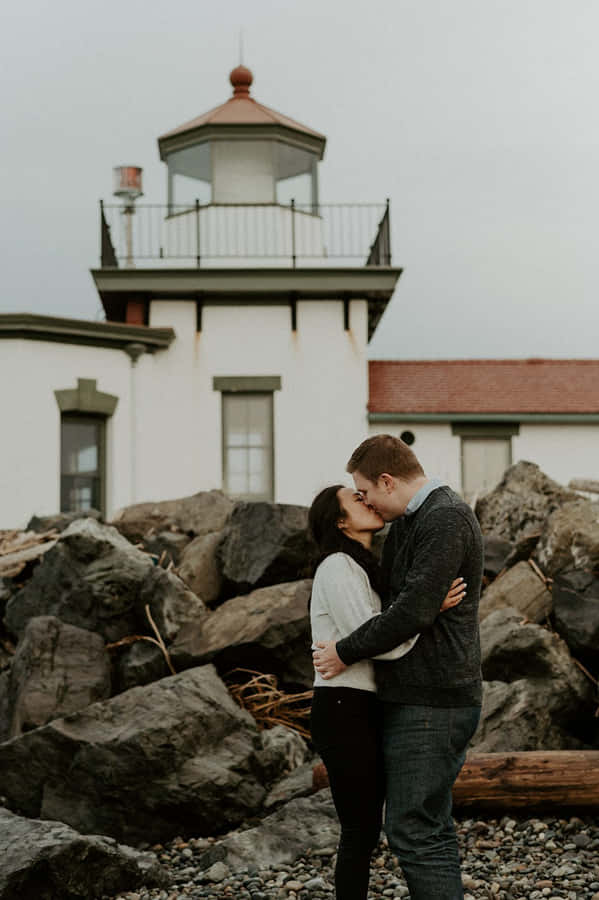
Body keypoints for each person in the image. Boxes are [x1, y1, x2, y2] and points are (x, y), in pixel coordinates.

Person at [313, 435, 484, 900]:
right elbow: (401, 605)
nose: (366, 500)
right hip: (411, 696)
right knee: (423, 825)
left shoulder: (445, 517)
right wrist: (420, 607)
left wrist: (345, 650)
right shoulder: (407, 523)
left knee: (413, 828)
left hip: (434, 699)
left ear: (387, 481)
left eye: (366, 491)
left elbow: (409, 612)